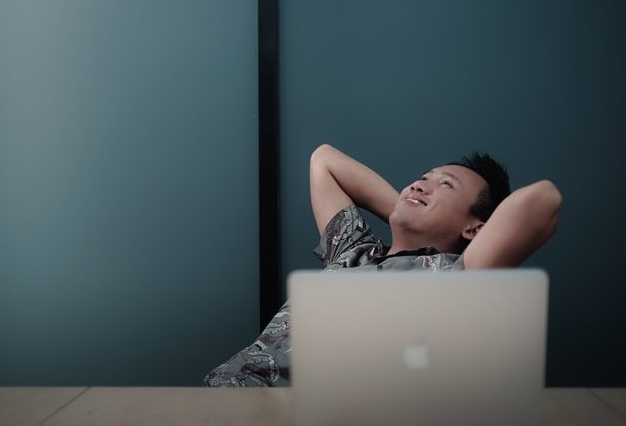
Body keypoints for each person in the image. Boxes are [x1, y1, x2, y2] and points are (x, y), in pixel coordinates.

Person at [203, 144, 562, 387]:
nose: (420, 184)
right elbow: (324, 159)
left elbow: (544, 199)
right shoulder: (353, 251)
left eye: (446, 185)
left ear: (475, 229)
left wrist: (430, 221)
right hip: (219, 395)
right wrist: (408, 209)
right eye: (423, 177)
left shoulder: (456, 277)